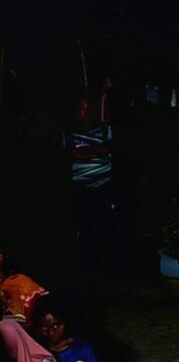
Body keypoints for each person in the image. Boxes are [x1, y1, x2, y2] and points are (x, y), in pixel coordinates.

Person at [67, 91, 120, 270]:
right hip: (81, 185)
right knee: (84, 225)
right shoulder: (70, 131)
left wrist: (88, 150)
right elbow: (74, 153)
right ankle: (86, 262)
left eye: (87, 108)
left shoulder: (105, 129)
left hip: (104, 183)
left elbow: (109, 148)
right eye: (81, 109)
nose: (85, 112)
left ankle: (107, 262)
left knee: (105, 224)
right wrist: (98, 150)